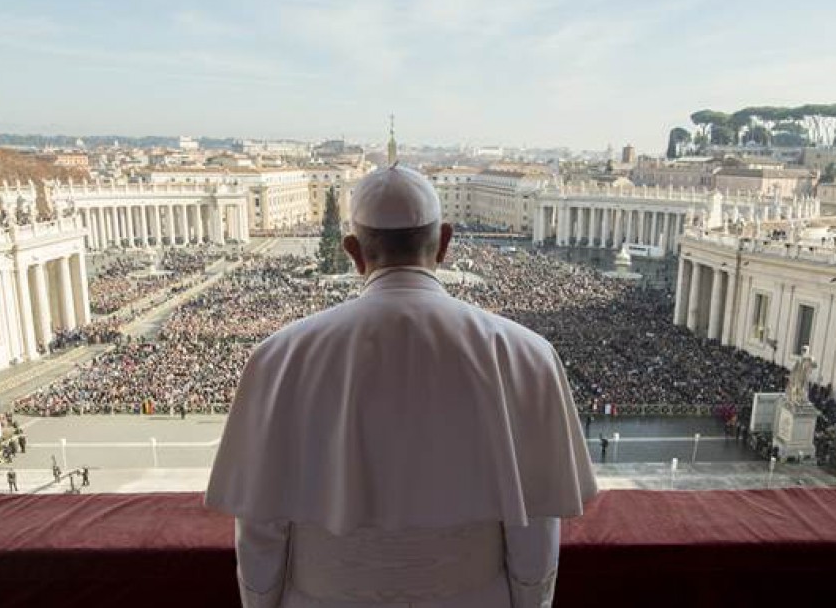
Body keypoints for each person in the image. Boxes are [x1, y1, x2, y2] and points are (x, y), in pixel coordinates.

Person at [206, 165, 598, 608]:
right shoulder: (526, 354)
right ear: (445, 242)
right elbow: (535, 524)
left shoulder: (278, 357)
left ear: (353, 251)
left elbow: (261, 528)